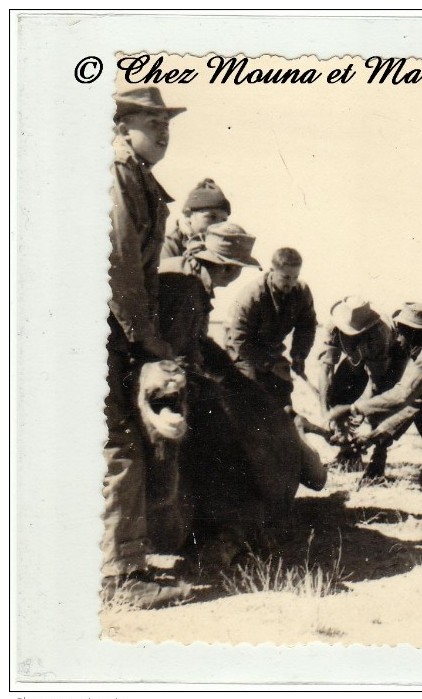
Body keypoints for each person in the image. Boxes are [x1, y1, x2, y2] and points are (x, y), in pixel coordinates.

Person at [104, 86, 192, 607]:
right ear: (121, 127)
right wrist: (148, 340)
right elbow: (119, 267)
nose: (162, 130)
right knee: (117, 444)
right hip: (107, 329)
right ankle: (118, 578)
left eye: (166, 123)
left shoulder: (137, 177)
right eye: (150, 121)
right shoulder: (117, 175)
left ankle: (124, 563)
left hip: (116, 329)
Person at [329, 303, 422, 488]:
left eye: (401, 332)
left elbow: (402, 396)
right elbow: (412, 404)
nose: (397, 339)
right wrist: (374, 437)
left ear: (413, 332)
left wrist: (353, 409)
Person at [317, 296, 408, 479]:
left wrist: (360, 413)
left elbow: (377, 384)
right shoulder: (333, 327)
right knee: (337, 395)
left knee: (379, 408)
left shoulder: (379, 334)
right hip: (356, 359)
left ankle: (378, 458)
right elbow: (326, 369)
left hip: (390, 359)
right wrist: (326, 413)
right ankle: (348, 454)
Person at [225, 247, 317, 411]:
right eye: (286, 277)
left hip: (271, 348)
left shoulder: (302, 292)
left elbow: (307, 326)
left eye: (295, 277)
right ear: (272, 271)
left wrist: (299, 355)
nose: (291, 283)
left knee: (283, 387)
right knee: (252, 390)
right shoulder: (252, 295)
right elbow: (240, 339)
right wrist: (271, 365)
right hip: (243, 350)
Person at [158, 222, 260, 365]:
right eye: (240, 268)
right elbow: (172, 351)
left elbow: (197, 343)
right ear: (228, 269)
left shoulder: (194, 277)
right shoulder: (187, 287)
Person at [162, 178, 232, 259]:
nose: (219, 226)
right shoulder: (167, 246)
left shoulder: (218, 247)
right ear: (188, 215)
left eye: (223, 220)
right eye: (212, 217)